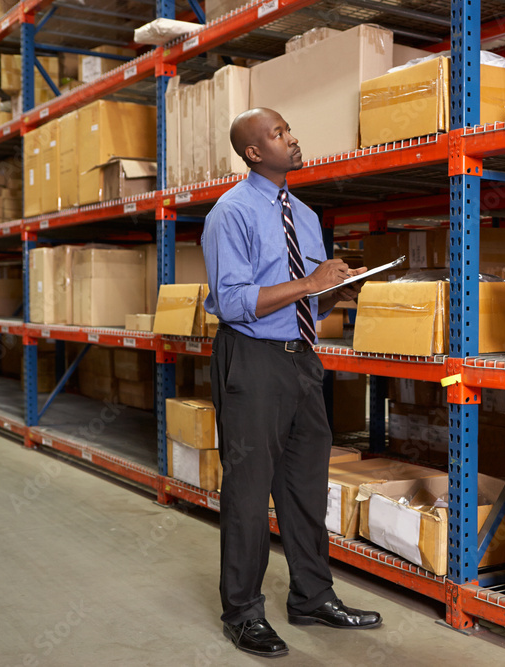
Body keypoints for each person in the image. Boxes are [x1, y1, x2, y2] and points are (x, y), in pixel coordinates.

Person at [201, 107, 380, 659]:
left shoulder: (302, 213)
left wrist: (338, 288)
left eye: (289, 129)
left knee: (305, 488)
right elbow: (231, 302)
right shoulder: (229, 214)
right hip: (251, 361)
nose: (292, 139)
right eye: (278, 134)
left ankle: (311, 596)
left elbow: (308, 291)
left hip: (301, 358)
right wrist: (309, 282)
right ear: (254, 152)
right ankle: (243, 613)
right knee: (250, 493)